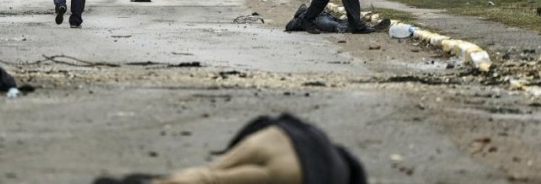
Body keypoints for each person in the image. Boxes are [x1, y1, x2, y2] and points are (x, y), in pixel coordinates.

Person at [93, 113, 367, 184]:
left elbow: (263, 122)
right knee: (213, 181)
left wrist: (228, 152)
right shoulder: (336, 174)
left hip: (274, 135)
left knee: (208, 173)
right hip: (296, 172)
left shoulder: (320, 137)